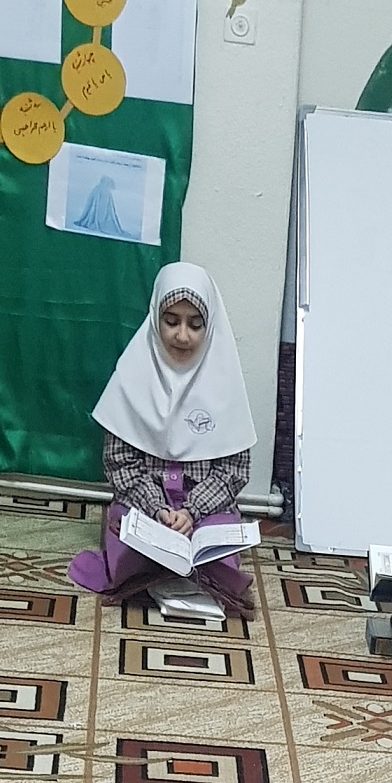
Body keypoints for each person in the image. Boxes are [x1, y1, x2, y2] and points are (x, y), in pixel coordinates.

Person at [69, 263, 257, 616]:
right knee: (128, 543)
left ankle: (182, 573)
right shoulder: (132, 378)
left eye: (195, 325)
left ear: (210, 326)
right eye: (171, 321)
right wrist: (157, 507)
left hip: (205, 510)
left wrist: (191, 511)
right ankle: (162, 574)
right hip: (143, 504)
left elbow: (233, 470)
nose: (182, 336)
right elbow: (120, 465)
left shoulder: (225, 384)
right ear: (155, 319)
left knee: (220, 550)